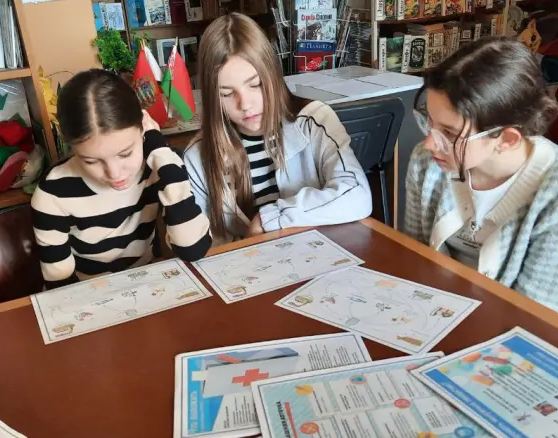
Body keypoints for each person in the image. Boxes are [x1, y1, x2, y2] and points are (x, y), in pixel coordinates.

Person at [404, 36, 558, 320]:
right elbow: (416, 257)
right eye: (428, 121)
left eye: (449, 133)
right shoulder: (426, 162)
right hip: (435, 314)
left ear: (507, 139)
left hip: (513, 330)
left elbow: (539, 316)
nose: (430, 143)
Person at [183, 13, 372, 244]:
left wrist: (268, 219)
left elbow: (357, 195)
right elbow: (200, 245)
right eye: (227, 94)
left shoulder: (314, 121)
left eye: (256, 85)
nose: (245, 104)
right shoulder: (197, 155)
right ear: (212, 98)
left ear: (272, 75)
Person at [31, 69, 211, 289]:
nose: (115, 174)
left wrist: (160, 151)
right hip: (87, 292)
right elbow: (60, 283)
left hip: (149, 285)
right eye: (91, 161)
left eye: (125, 154)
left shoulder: (158, 166)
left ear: (143, 126)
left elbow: (193, 249)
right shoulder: (53, 193)